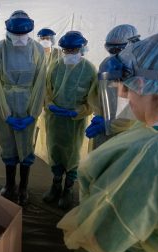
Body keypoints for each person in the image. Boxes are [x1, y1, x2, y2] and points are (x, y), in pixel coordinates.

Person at [57, 31, 158, 252]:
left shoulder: (151, 158)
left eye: (126, 89)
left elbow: (102, 235)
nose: (124, 96)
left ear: (143, 84)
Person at [0, 10, 46, 206]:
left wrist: (33, 113)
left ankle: (23, 186)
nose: (20, 38)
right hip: (5, 102)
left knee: (26, 146)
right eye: (16, 34)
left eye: (24, 34)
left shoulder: (38, 50)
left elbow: (40, 84)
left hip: (28, 102)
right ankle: (9, 184)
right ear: (8, 30)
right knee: (8, 145)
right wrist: (6, 114)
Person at [42, 31, 97, 210]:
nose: (69, 54)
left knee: (72, 153)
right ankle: (56, 184)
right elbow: (47, 91)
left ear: (82, 49)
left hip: (75, 122)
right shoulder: (55, 66)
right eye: (66, 50)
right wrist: (50, 105)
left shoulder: (89, 70)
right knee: (55, 150)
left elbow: (93, 100)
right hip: (54, 120)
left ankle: (68, 189)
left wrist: (78, 111)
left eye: (73, 50)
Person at [85, 24, 140, 148]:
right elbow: (97, 92)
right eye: (111, 50)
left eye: (118, 50)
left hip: (126, 134)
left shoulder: (139, 71)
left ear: (133, 45)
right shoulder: (108, 64)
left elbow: (134, 109)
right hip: (104, 127)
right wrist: (99, 114)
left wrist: (110, 124)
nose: (114, 55)